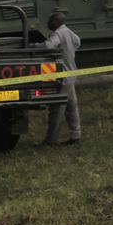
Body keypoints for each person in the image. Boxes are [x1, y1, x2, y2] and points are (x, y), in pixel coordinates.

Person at [40, 12, 82, 146]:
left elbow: (47, 46)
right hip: (71, 75)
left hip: (62, 77)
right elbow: (78, 42)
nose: (48, 22)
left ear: (57, 22)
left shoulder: (58, 33)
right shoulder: (70, 32)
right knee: (71, 107)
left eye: (50, 20)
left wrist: (32, 46)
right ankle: (76, 135)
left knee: (56, 108)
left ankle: (51, 140)